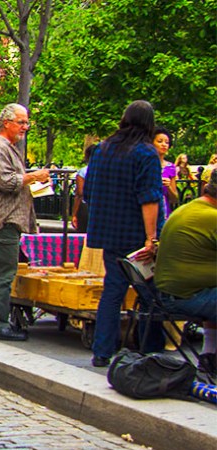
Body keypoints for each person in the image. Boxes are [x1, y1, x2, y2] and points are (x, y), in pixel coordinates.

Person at [84, 100, 164, 367]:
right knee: (150, 293)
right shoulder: (146, 154)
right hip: (135, 233)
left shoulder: (102, 150)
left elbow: (88, 192)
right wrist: (151, 238)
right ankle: (151, 348)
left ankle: (102, 350)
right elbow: (149, 199)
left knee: (112, 291)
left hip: (109, 232)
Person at [0, 103, 49, 341]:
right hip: (4, 218)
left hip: (8, 218)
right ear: (7, 123)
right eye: (21, 122)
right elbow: (7, 182)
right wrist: (33, 177)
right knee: (2, 272)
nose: (25, 127)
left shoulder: (6, 147)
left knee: (1, 271)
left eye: (26, 123)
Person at [155, 170, 217, 377]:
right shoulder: (211, 217)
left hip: (169, 293)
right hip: (186, 298)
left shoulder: (188, 208)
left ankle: (209, 355)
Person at [153, 126, 178, 219]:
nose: (164, 144)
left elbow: (175, 199)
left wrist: (168, 187)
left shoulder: (170, 167)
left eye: (167, 142)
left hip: (164, 211)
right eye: (160, 141)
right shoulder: (145, 165)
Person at [71, 145, 94, 233]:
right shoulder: (107, 170)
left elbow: (80, 194)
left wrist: (74, 214)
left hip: (86, 207)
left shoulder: (83, 171)